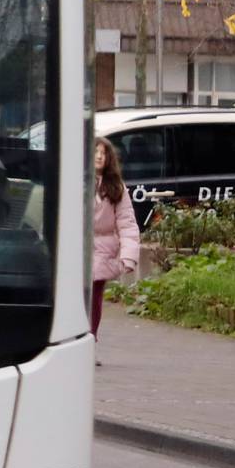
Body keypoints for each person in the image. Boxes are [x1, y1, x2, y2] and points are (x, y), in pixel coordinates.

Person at [92, 137, 140, 342]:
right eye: (95, 152)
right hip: (76, 250)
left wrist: (129, 257)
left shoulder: (116, 188)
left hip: (103, 251)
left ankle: (90, 339)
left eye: (103, 153)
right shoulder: (74, 182)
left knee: (94, 299)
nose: (99, 156)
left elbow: (127, 223)